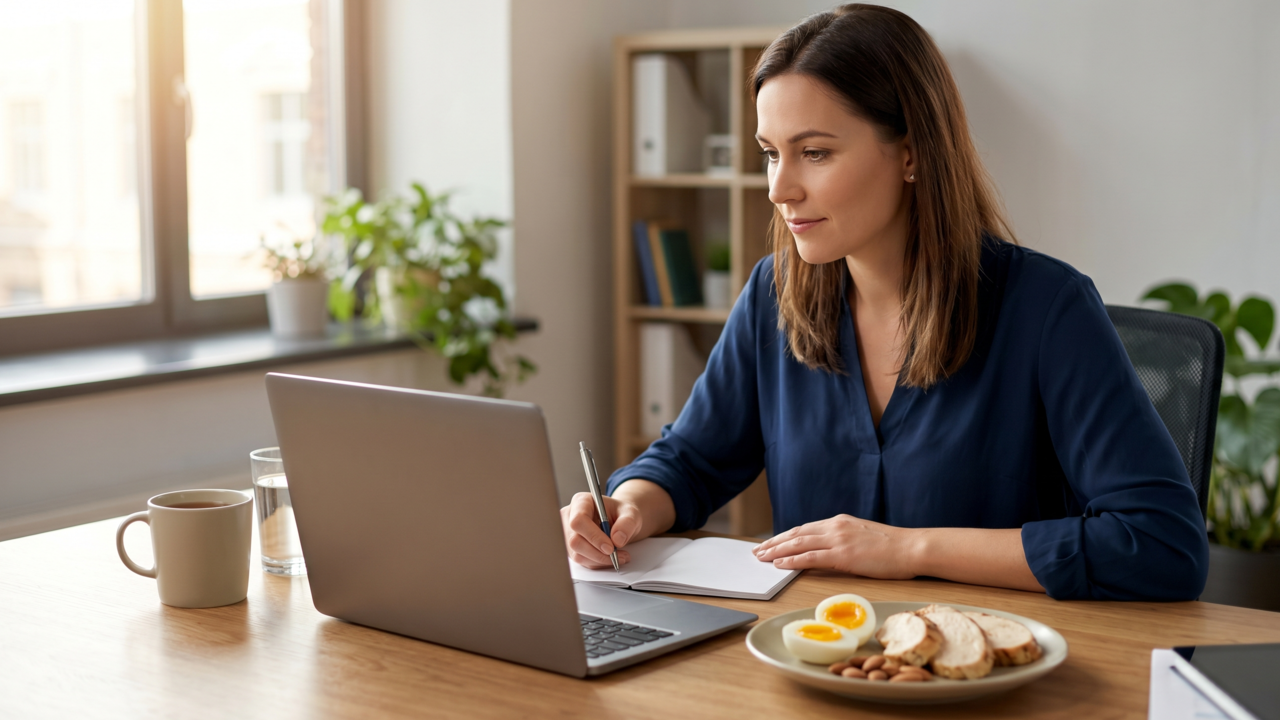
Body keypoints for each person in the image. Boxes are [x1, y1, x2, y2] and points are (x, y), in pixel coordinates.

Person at [561, 4, 1208, 601]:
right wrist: (631, 505)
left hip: (987, 671)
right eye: (769, 154)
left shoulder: (1047, 308)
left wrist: (907, 550)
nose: (779, 189)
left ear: (911, 153)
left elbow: (1160, 543)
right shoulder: (771, 295)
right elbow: (692, 459)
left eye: (814, 153)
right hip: (819, 659)